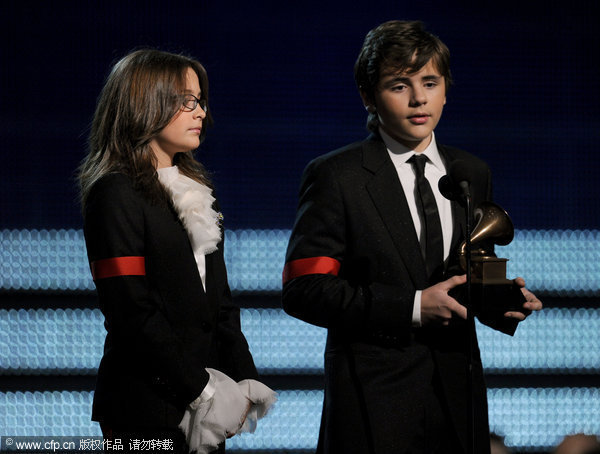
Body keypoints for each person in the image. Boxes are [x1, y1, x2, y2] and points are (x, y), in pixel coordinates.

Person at [281, 20, 542, 454]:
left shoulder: (471, 172)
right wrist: (414, 307)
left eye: (430, 82)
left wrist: (500, 304)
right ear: (369, 96)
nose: (419, 98)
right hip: (374, 403)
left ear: (445, 88)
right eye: (399, 85)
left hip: (459, 399)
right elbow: (304, 290)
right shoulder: (337, 175)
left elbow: (471, 269)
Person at [78, 49, 276, 454]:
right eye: (187, 101)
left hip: (207, 404)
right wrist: (201, 391)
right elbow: (131, 313)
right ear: (145, 103)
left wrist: (242, 380)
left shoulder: (197, 190)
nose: (200, 111)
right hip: (145, 406)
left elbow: (219, 303)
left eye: (200, 100)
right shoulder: (114, 192)